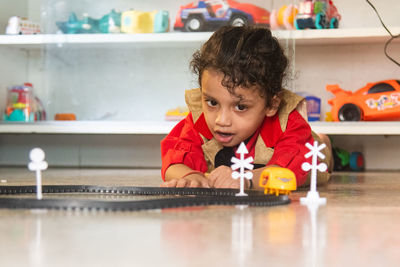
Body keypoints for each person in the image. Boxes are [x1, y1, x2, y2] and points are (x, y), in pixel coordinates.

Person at [160, 25, 331, 190]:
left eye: (240, 107)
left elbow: (288, 173)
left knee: (321, 157)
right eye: (212, 103)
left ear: (271, 104)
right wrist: (189, 176)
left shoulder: (289, 125)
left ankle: (325, 141)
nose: (221, 120)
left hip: (310, 154)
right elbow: (174, 159)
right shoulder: (199, 121)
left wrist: (246, 180)